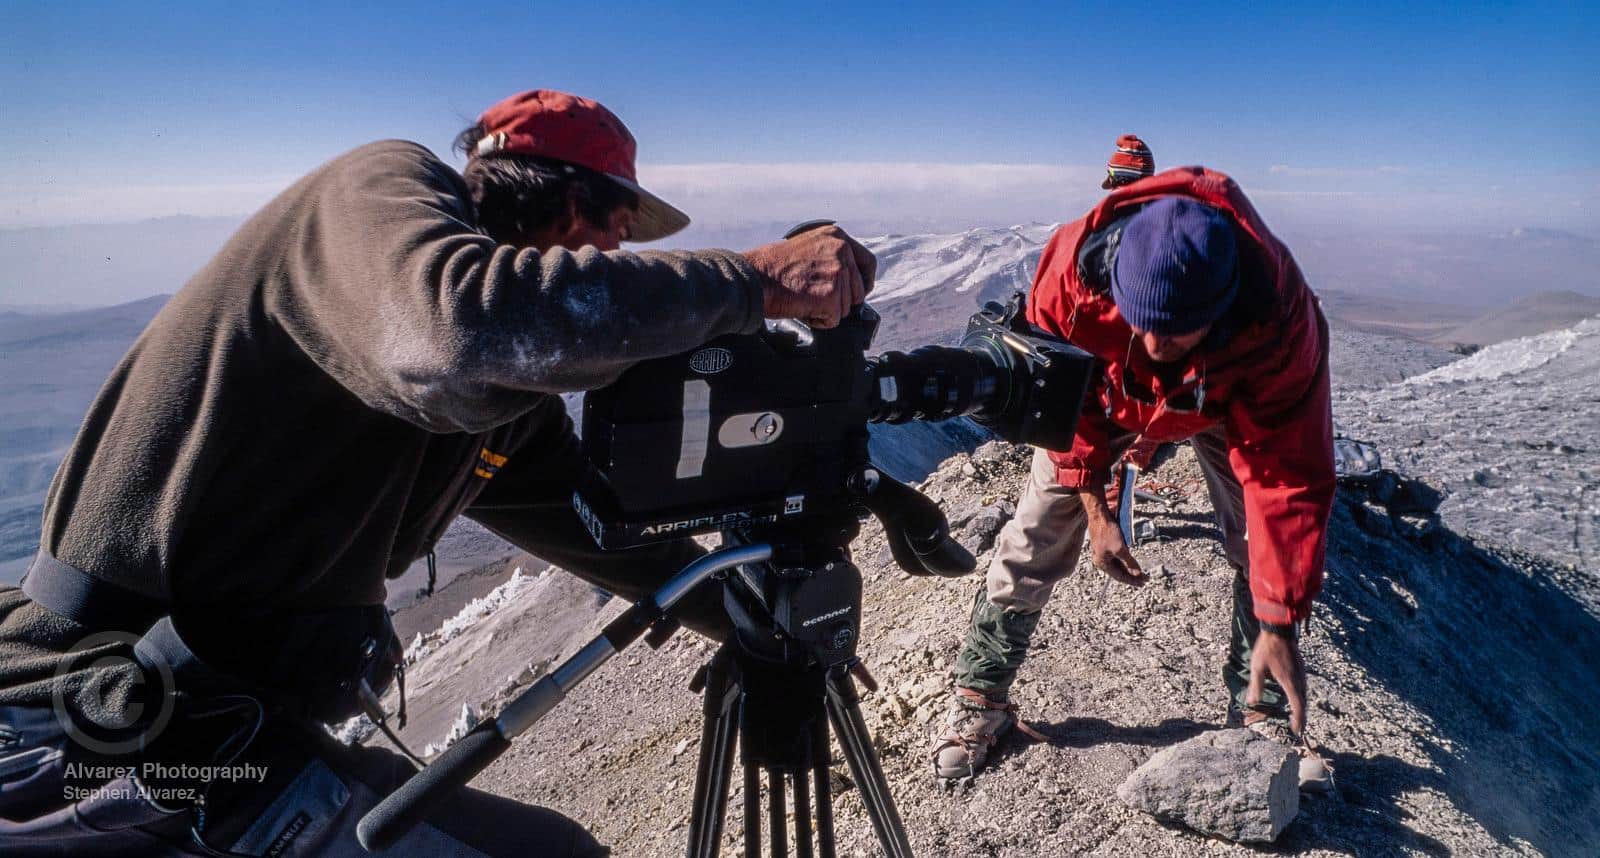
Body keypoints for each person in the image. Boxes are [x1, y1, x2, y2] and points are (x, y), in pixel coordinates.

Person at [0, 88, 876, 855]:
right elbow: (459, 331)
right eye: (618, 225)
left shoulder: (493, 406)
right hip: (98, 723)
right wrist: (753, 279)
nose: (618, 249)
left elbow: (602, 531)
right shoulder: (379, 190)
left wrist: (759, 630)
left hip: (217, 728)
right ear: (572, 207)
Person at [932, 166, 1335, 792]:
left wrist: (1281, 614)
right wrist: (1097, 507)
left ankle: (1259, 715)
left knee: (1258, 539)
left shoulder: (1277, 319)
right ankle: (982, 697)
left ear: (1220, 308)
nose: (1150, 341)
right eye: (1137, 320)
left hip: (1223, 399)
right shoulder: (1070, 271)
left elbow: (1288, 477)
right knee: (1036, 532)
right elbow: (1067, 405)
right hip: (1107, 398)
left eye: (1173, 332)